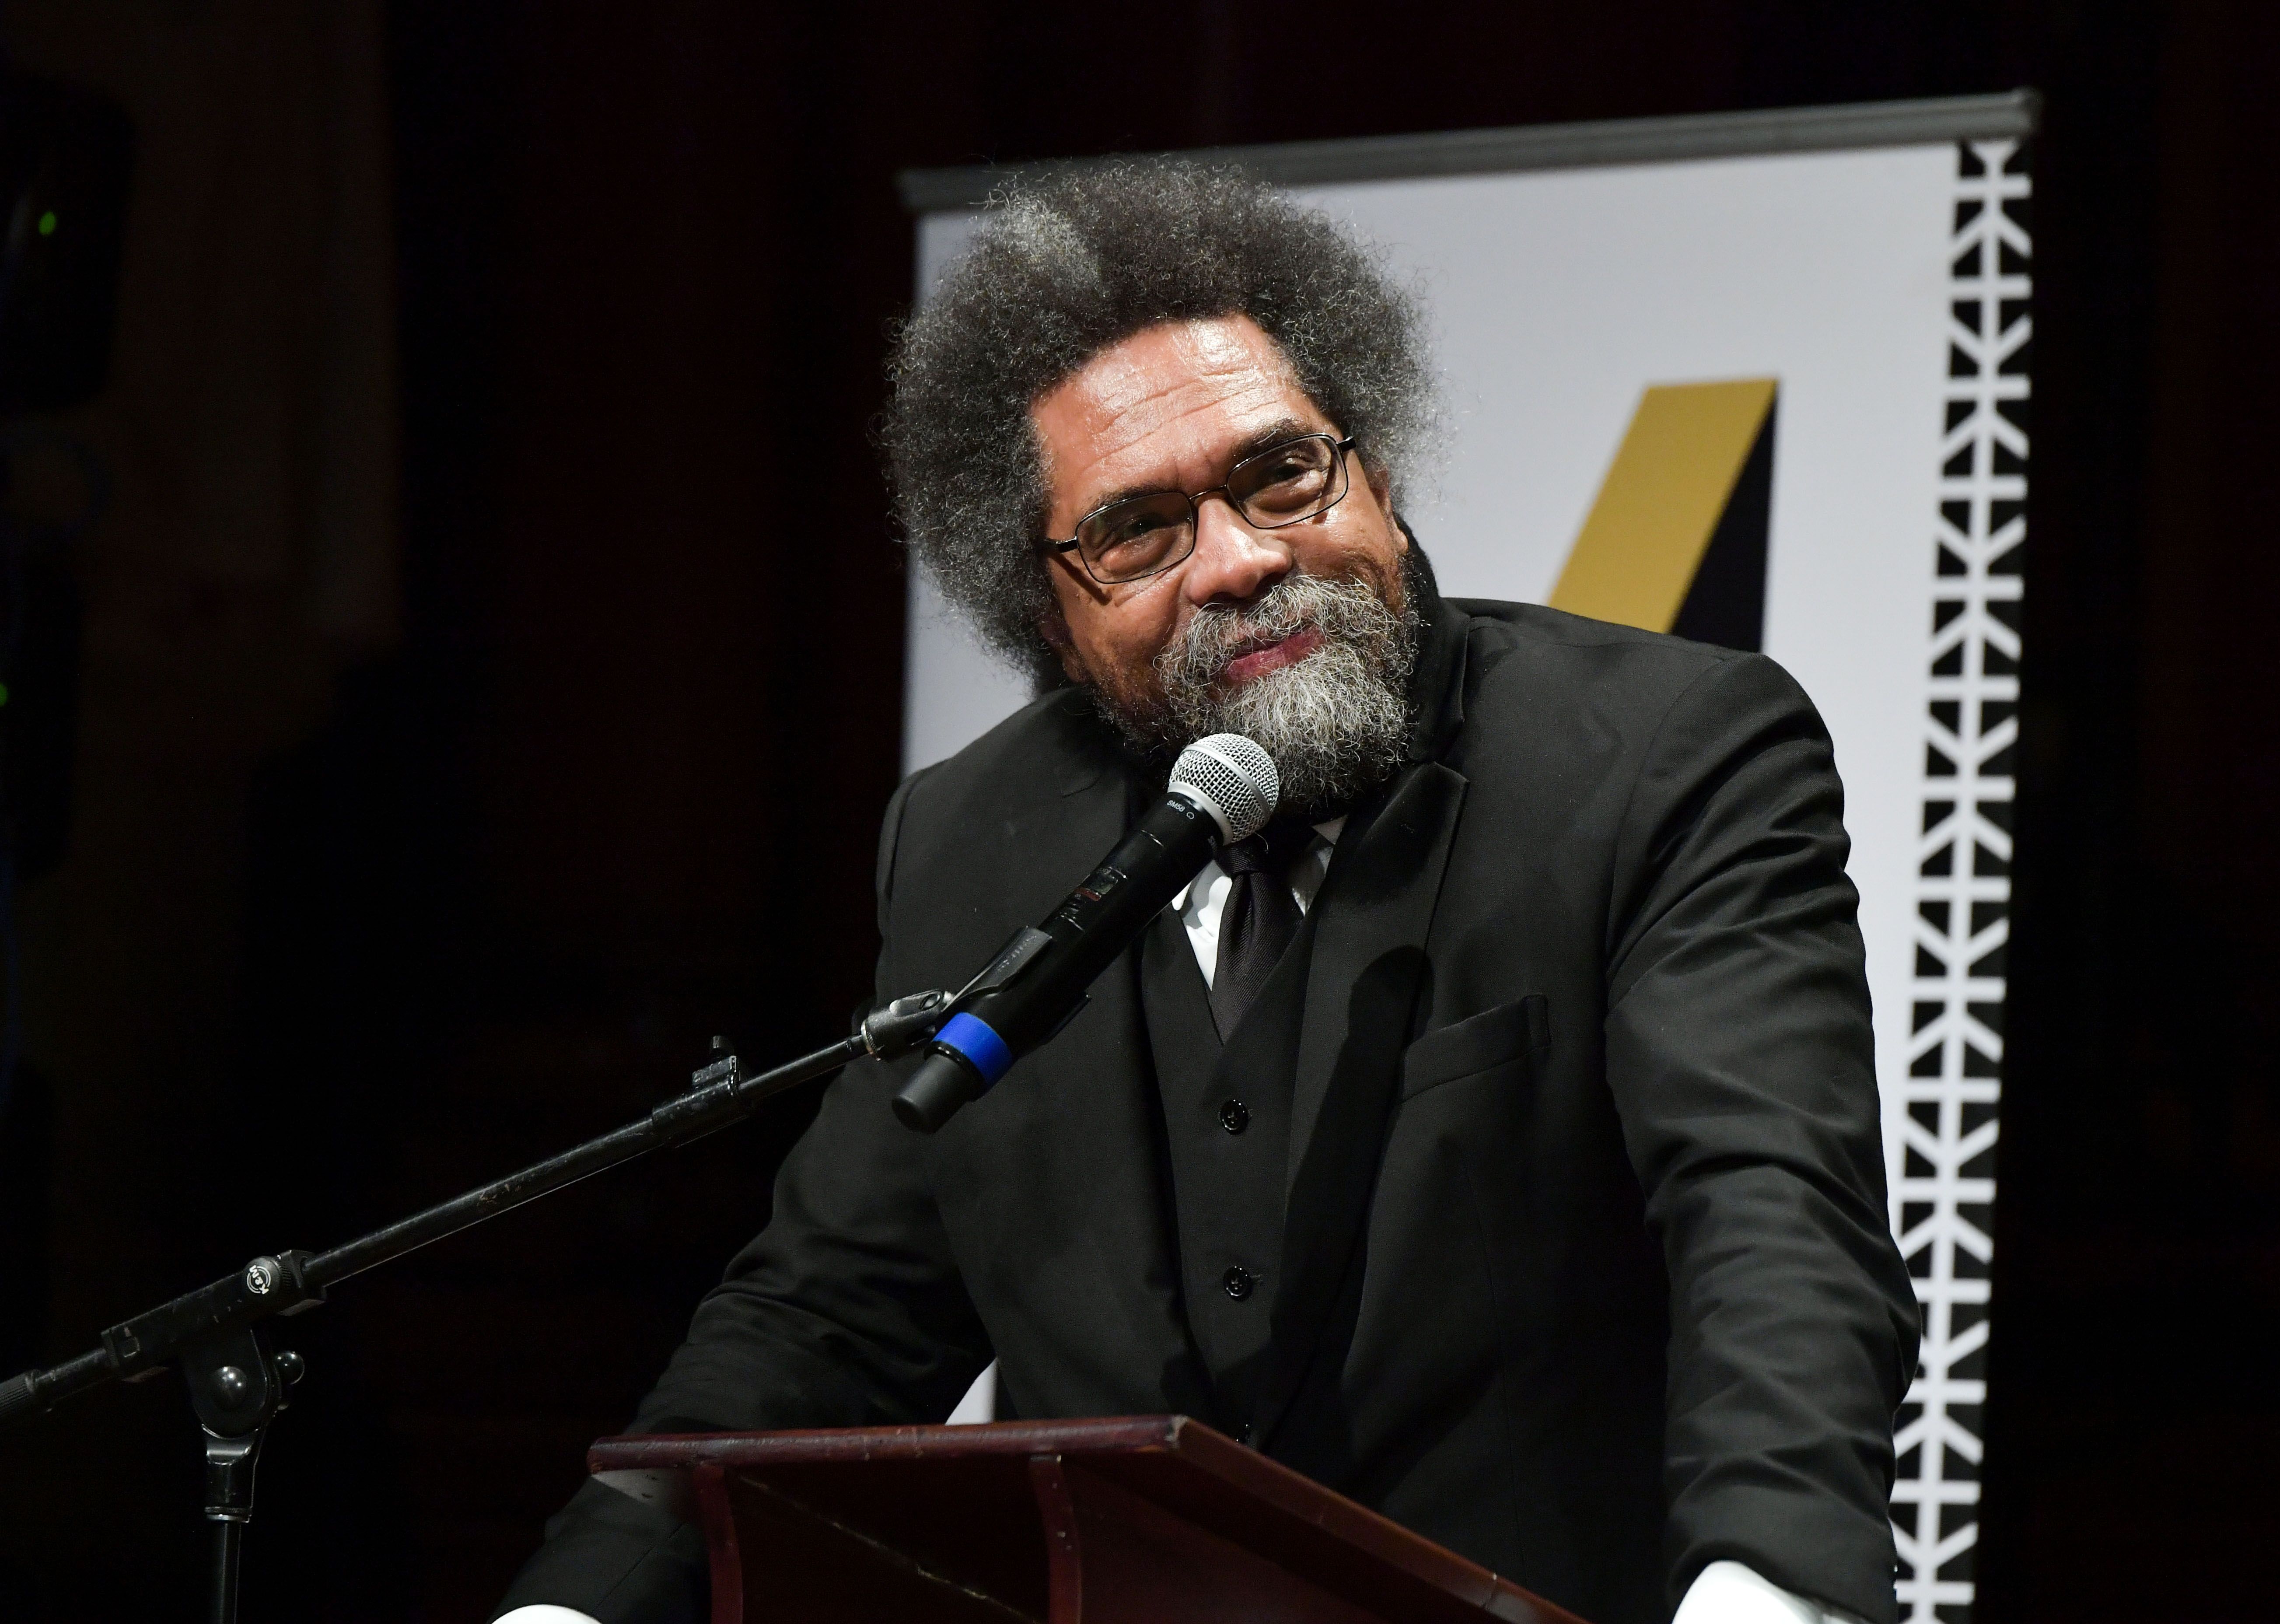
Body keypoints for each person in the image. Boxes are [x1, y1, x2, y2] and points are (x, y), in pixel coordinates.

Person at [496, 162, 1918, 1624]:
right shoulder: (972, 834)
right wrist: (578, 1609)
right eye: (1137, 532)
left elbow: (1772, 1212)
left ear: (1377, 466)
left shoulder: (1661, 755)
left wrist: (1766, 1591)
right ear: (1044, 606)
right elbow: (829, 1313)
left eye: (1279, 474)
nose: (1242, 561)